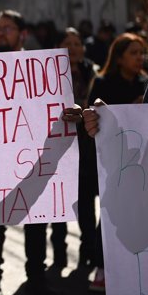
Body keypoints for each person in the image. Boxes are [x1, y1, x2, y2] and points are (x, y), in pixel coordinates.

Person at [0, 9, 62, 295]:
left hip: (32, 159)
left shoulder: (40, 69)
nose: (1, 33)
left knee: (36, 222)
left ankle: (36, 280)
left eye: (7, 28)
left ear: (23, 34)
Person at [84, 31, 148, 292]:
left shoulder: (147, 83)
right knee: (110, 215)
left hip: (142, 161)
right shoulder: (103, 83)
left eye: (141, 52)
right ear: (119, 57)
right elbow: (94, 119)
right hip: (111, 161)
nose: (139, 58)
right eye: (133, 53)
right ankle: (102, 267)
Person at [55, 28, 98, 269]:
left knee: (85, 200)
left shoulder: (93, 73)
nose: (73, 48)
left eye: (77, 43)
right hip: (58, 148)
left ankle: (88, 250)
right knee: (60, 203)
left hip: (86, 146)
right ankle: (59, 256)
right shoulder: (48, 76)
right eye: (67, 43)